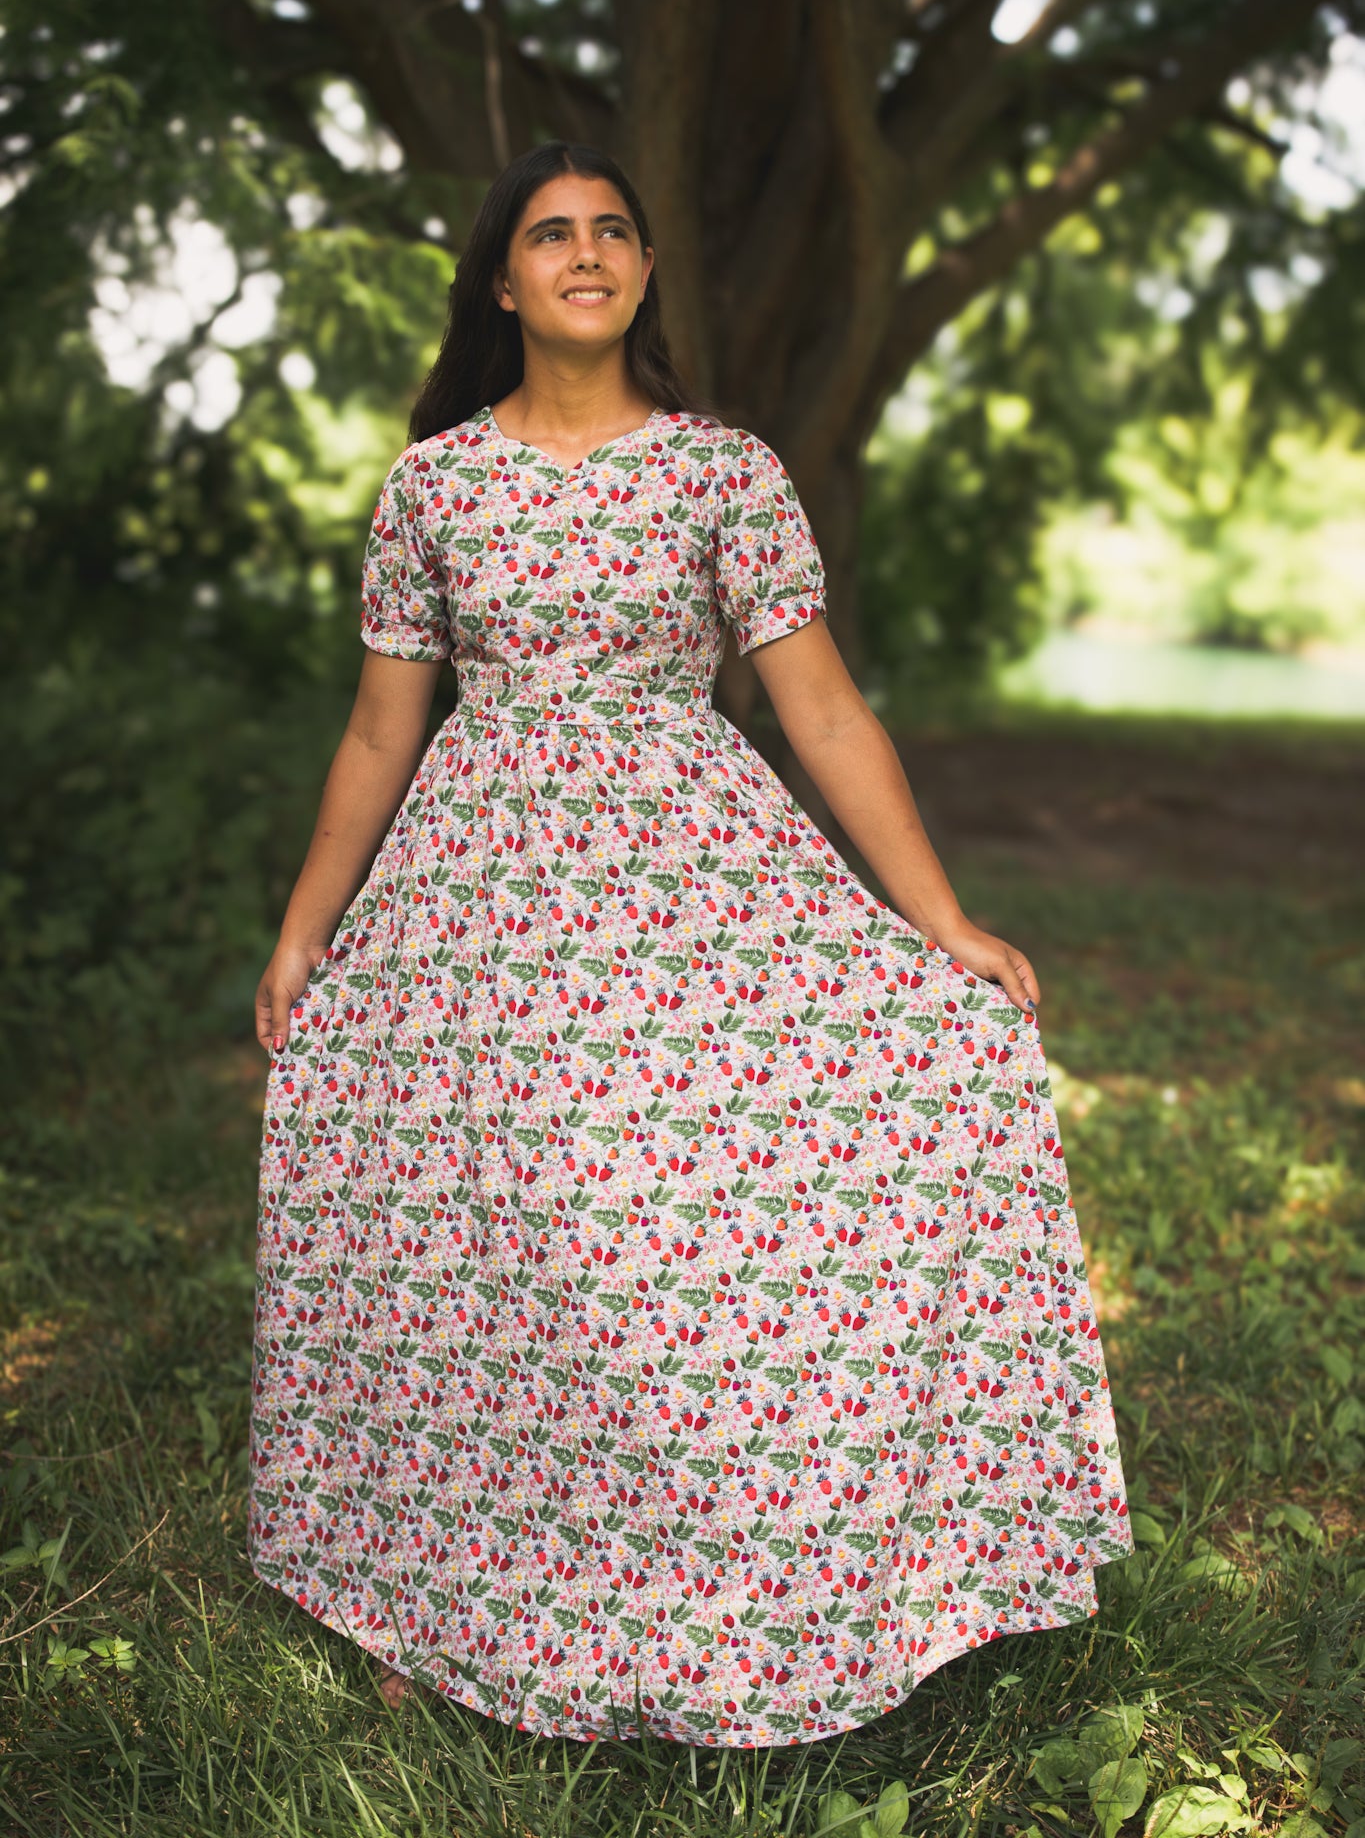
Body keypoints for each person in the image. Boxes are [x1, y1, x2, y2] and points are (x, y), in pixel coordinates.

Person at [249, 140, 1131, 1748]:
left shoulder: (723, 470)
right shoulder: (432, 485)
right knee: (508, 1244)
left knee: (690, 1221)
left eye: (611, 232)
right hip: (482, 902)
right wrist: (307, 933)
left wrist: (941, 922)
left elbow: (823, 707)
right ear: (500, 281)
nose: (582, 253)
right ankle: (446, 1587)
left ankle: (775, 1585)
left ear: (645, 274)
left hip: (689, 872)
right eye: (547, 234)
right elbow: (380, 735)